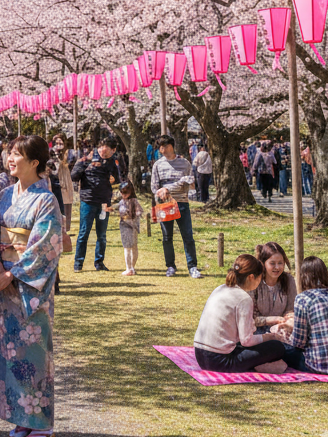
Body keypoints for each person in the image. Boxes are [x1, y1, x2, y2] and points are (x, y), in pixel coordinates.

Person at [0, 135, 63, 437]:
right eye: (10, 153)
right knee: (11, 352)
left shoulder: (47, 200)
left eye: (18, 154)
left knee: (34, 352)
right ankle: (21, 416)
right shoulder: (4, 194)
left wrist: (13, 273)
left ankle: (41, 422)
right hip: (5, 281)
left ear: (35, 162)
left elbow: (47, 245)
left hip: (30, 287)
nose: (10, 158)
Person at [193, 254, 288, 373]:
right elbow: (246, 341)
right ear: (252, 277)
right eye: (260, 277)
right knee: (277, 347)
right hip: (220, 361)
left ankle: (260, 364)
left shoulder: (220, 288)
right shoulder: (244, 299)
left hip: (200, 356)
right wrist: (270, 337)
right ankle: (261, 366)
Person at [274, 256, 328, 374]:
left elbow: (298, 343)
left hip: (320, 366)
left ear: (303, 277)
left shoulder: (303, 298)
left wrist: (283, 337)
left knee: (281, 348)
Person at [151, 134, 202, 279]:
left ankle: (192, 267)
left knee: (188, 236)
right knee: (167, 236)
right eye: (160, 147)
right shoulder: (157, 165)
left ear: (171, 146)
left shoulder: (184, 163)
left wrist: (171, 188)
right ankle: (170, 266)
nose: (162, 149)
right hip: (164, 204)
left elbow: (189, 182)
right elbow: (154, 187)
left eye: (165, 146)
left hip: (182, 202)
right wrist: (162, 192)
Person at [70, 137, 122, 272]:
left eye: (107, 151)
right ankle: (78, 263)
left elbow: (117, 178)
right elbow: (74, 176)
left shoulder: (112, 163)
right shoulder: (86, 159)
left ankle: (99, 262)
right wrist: (84, 163)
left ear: (113, 151)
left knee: (102, 235)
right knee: (83, 232)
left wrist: (112, 177)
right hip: (88, 201)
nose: (102, 153)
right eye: (101, 149)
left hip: (104, 203)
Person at [251, 241, 297, 333]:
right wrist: (273, 319)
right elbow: (250, 319)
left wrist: (288, 319)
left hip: (281, 328)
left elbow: (291, 310)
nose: (277, 267)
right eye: (272, 263)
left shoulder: (288, 280)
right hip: (256, 331)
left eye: (280, 263)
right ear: (263, 263)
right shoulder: (254, 282)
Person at [117, 181, 143, 276]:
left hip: (133, 226)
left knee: (133, 246)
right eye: (122, 192)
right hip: (124, 226)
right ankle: (129, 268)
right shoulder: (121, 202)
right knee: (127, 247)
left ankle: (131, 267)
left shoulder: (134, 201)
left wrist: (133, 215)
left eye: (126, 193)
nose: (124, 195)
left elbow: (140, 211)